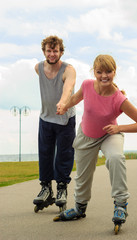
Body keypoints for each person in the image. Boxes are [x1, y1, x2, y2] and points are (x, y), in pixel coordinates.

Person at [54, 54, 137, 223]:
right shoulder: (87, 85)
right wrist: (64, 106)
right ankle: (79, 208)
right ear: (94, 72)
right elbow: (75, 99)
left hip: (109, 135)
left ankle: (120, 204)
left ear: (114, 72)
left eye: (108, 71)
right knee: (83, 176)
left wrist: (119, 128)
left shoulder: (119, 99)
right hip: (86, 135)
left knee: (115, 158)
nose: (104, 76)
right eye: (99, 72)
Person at [33, 35, 76, 210]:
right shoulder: (38, 68)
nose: (52, 54)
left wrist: (63, 102)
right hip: (46, 118)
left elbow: (69, 86)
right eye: (49, 51)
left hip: (65, 119)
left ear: (61, 52)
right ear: (44, 52)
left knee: (64, 154)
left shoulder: (69, 69)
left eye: (55, 50)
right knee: (45, 153)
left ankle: (61, 188)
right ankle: (45, 188)